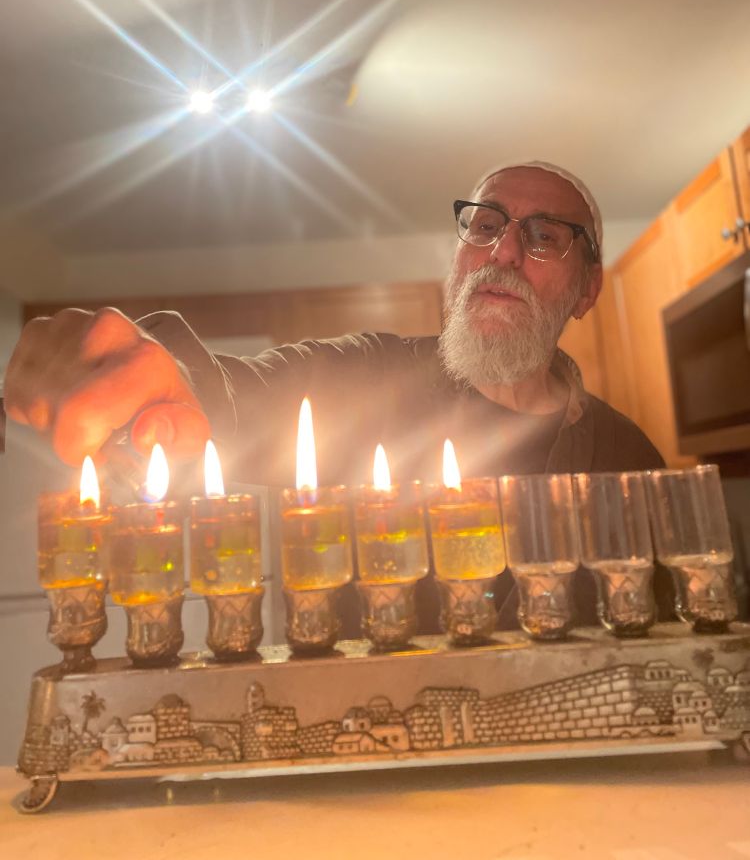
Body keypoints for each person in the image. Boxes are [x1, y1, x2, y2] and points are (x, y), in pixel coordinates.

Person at [4, 161, 665, 626]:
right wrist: (164, 376)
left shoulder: (629, 457)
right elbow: (238, 392)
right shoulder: (369, 377)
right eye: (485, 225)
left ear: (588, 289)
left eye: (544, 236)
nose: (502, 252)